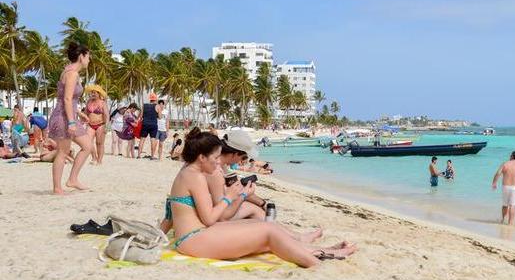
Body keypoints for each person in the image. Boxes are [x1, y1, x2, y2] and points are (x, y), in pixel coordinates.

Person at [164, 128, 356, 266]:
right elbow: (209, 218)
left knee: (263, 228)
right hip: (194, 239)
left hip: (193, 237)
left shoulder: (189, 172)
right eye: (215, 159)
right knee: (268, 232)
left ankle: (327, 252)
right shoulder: (196, 177)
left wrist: (158, 234)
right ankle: (316, 263)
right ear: (202, 157)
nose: (217, 164)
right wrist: (230, 197)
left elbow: (171, 213)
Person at [47, 42, 94, 194]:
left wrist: (79, 113)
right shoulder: (72, 74)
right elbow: (67, 99)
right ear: (81, 56)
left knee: (87, 146)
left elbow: (66, 99)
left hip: (68, 114)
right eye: (88, 56)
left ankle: (72, 179)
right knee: (63, 152)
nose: (89, 60)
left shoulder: (68, 71)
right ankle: (57, 188)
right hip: (64, 118)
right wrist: (72, 121)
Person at [491, 151, 515, 225]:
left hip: (505, 187)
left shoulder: (505, 164)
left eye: (510, 155)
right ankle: (510, 223)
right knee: (512, 205)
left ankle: (503, 220)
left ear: (512, 156)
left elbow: (498, 173)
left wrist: (494, 182)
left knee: (505, 205)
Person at [83, 85, 109, 165]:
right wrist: (82, 121)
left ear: (98, 94)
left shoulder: (102, 103)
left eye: (94, 93)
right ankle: (94, 157)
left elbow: (106, 115)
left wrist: (106, 126)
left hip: (100, 124)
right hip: (90, 125)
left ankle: (99, 160)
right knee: (88, 142)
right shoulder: (88, 102)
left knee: (99, 143)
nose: (92, 94)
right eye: (91, 92)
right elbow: (85, 113)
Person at [137, 93, 160, 159]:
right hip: (153, 124)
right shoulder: (157, 106)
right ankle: (152, 156)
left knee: (142, 139)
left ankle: (139, 155)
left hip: (145, 124)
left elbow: (141, 116)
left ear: (150, 99)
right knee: (152, 140)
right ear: (155, 99)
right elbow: (160, 117)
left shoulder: (144, 105)